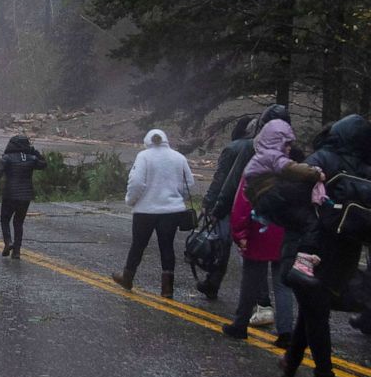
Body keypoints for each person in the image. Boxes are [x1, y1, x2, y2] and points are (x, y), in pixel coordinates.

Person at [279, 114, 371, 377]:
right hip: (348, 249)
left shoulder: (324, 159)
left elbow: (289, 194)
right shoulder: (367, 167)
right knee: (313, 304)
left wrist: (307, 224)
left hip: (316, 245)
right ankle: (291, 363)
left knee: (316, 313)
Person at [200, 105, 292, 299]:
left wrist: (213, 205)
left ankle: (219, 286)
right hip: (271, 213)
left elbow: (225, 180)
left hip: (238, 206)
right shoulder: (287, 149)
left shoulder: (243, 148)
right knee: (261, 257)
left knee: (227, 248)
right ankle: (262, 303)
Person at [112, 129, 195, 298]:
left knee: (138, 245)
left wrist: (130, 200)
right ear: (166, 140)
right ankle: (167, 288)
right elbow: (189, 183)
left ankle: (127, 277)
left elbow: (136, 182)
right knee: (167, 247)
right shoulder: (179, 157)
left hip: (145, 211)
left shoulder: (144, 156)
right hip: (172, 210)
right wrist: (177, 198)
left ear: (147, 141)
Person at [241, 119, 325, 281]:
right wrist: (315, 173)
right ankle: (304, 258)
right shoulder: (273, 156)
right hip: (274, 194)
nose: (288, 149)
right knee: (311, 221)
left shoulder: (260, 156)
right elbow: (291, 168)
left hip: (264, 201)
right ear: (276, 142)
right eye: (286, 144)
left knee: (295, 219)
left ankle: (296, 258)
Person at [221, 177, 294, 347]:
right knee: (282, 284)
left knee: (251, 282)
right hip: (285, 232)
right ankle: (286, 332)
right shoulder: (291, 169)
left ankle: (240, 325)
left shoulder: (255, 169)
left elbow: (242, 205)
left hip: (258, 232)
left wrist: (239, 234)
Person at [197, 117, 253, 298]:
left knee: (223, 244)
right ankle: (256, 297)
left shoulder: (233, 148)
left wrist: (208, 202)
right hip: (254, 203)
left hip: (230, 203)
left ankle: (213, 282)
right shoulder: (261, 147)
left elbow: (220, 178)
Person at [0, 135, 46, 258]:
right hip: (26, 195)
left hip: (10, 194)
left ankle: (8, 242)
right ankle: (17, 251)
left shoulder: (7, 158)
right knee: (18, 223)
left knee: (5, 219)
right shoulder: (32, 158)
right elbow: (44, 164)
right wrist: (35, 151)